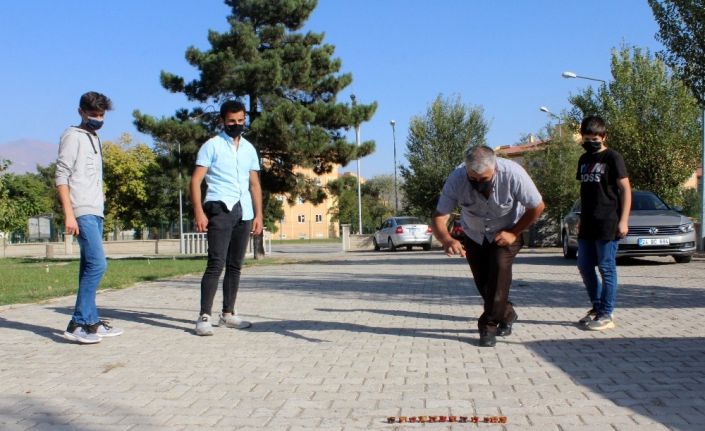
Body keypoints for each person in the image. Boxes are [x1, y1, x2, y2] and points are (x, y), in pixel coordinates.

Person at [432, 145, 544, 347]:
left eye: (484, 179)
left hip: (507, 231)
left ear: (495, 169)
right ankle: (507, 314)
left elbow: (537, 206)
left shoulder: (513, 174)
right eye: (473, 179)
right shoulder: (456, 179)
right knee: (485, 284)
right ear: (466, 170)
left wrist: (514, 232)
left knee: (499, 270)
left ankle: (488, 326)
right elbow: (440, 216)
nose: (478, 184)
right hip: (474, 234)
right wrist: (447, 239)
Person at [191, 100, 263, 336]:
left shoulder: (249, 149)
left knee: (235, 265)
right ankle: (204, 316)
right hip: (220, 207)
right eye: (232, 121)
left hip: (244, 211)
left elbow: (254, 184)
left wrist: (258, 214)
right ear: (222, 120)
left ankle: (228, 314)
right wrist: (199, 212)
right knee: (216, 263)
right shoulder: (211, 146)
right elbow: (195, 181)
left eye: (241, 121)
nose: (236, 125)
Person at [56, 91, 123, 344]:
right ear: (80, 112)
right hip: (80, 209)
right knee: (98, 264)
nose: (97, 119)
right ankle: (77, 323)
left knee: (88, 266)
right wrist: (69, 215)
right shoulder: (72, 136)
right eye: (92, 114)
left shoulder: (94, 137)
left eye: (101, 115)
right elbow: (61, 176)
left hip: (95, 210)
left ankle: (92, 322)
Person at [575, 115, 631, 331]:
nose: (590, 142)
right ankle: (597, 308)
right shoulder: (583, 160)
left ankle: (607, 313)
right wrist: (581, 218)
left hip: (608, 222)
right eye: (587, 138)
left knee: (606, 268)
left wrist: (624, 220)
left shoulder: (612, 158)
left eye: (595, 139)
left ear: (603, 136)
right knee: (584, 266)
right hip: (588, 222)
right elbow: (586, 193)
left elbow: (625, 189)